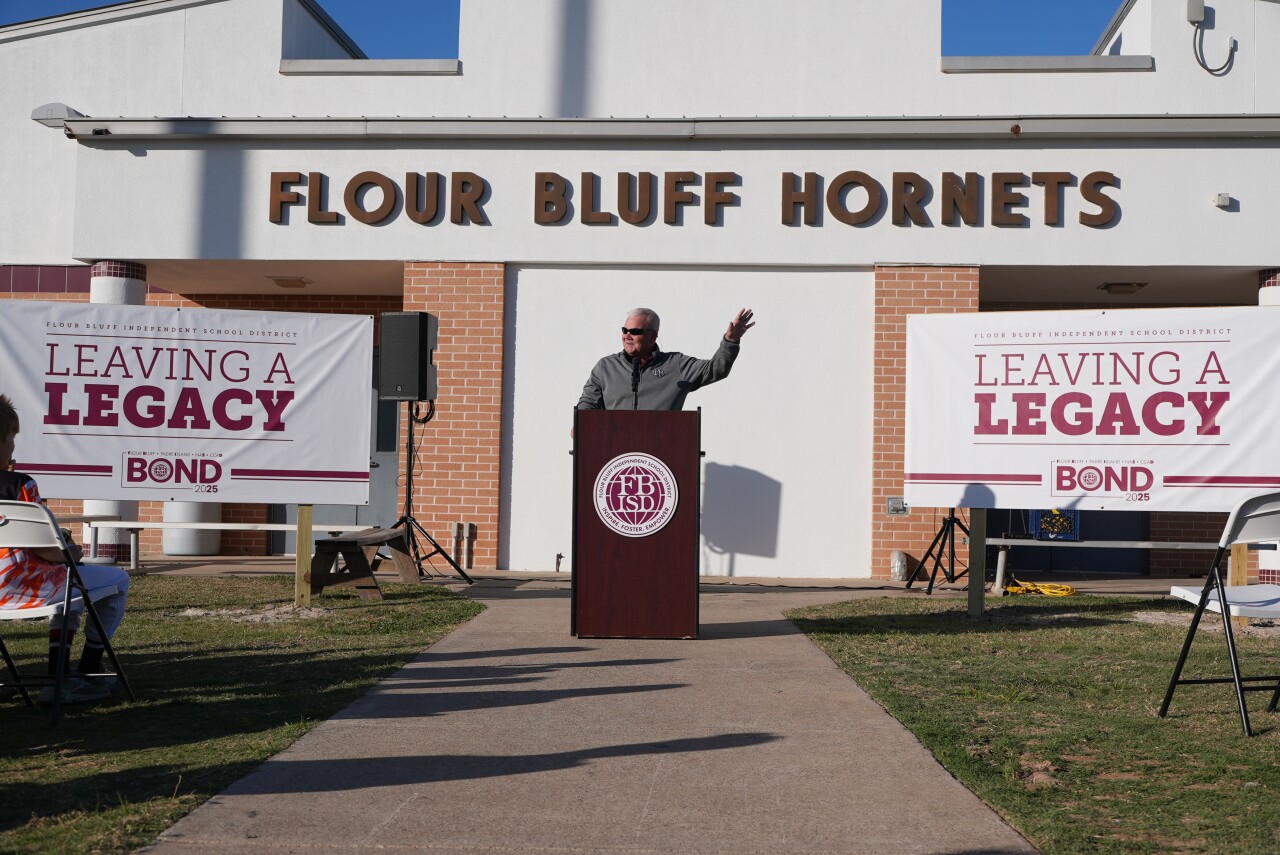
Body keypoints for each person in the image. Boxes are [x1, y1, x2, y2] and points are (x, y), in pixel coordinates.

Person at [0, 394, 130, 704]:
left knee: (70, 582)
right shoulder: (19, 484)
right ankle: (85, 672)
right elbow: (45, 551)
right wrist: (69, 553)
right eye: (11, 439)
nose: (14, 447)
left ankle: (58, 677)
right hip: (22, 587)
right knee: (111, 580)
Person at [577, 307, 755, 411]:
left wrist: (730, 341)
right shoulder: (605, 367)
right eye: (625, 330)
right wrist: (580, 424)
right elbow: (589, 402)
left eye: (635, 331)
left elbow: (715, 369)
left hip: (661, 456)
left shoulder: (675, 364)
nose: (628, 336)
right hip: (615, 455)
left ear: (652, 337)